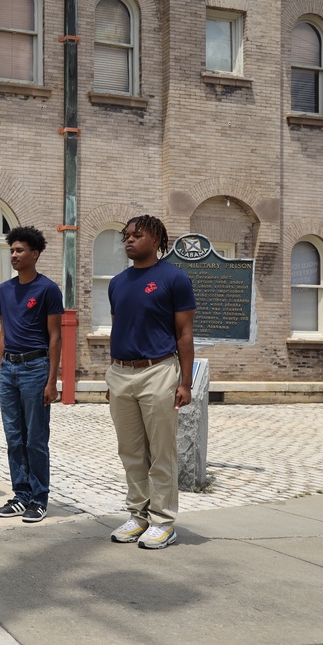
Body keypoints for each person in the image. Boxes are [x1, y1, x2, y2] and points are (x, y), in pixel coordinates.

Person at [106, 215, 195, 550]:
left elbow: (185, 334)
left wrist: (185, 382)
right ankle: (138, 515)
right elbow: (119, 328)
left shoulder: (174, 279)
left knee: (160, 452)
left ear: (156, 239)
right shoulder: (117, 282)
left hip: (158, 371)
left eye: (137, 235)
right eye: (125, 235)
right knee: (130, 451)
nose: (128, 240)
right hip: (120, 373)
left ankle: (162, 521)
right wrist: (112, 376)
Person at [0, 226, 63, 523]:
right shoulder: (4, 290)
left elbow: (56, 337)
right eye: (11, 250)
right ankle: (20, 495)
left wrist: (52, 380)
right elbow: (4, 332)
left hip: (36, 369)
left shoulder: (47, 289)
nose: (14, 255)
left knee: (35, 438)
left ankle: (39, 498)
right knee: (13, 437)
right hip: (9, 368)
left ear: (35, 254)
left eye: (20, 250)